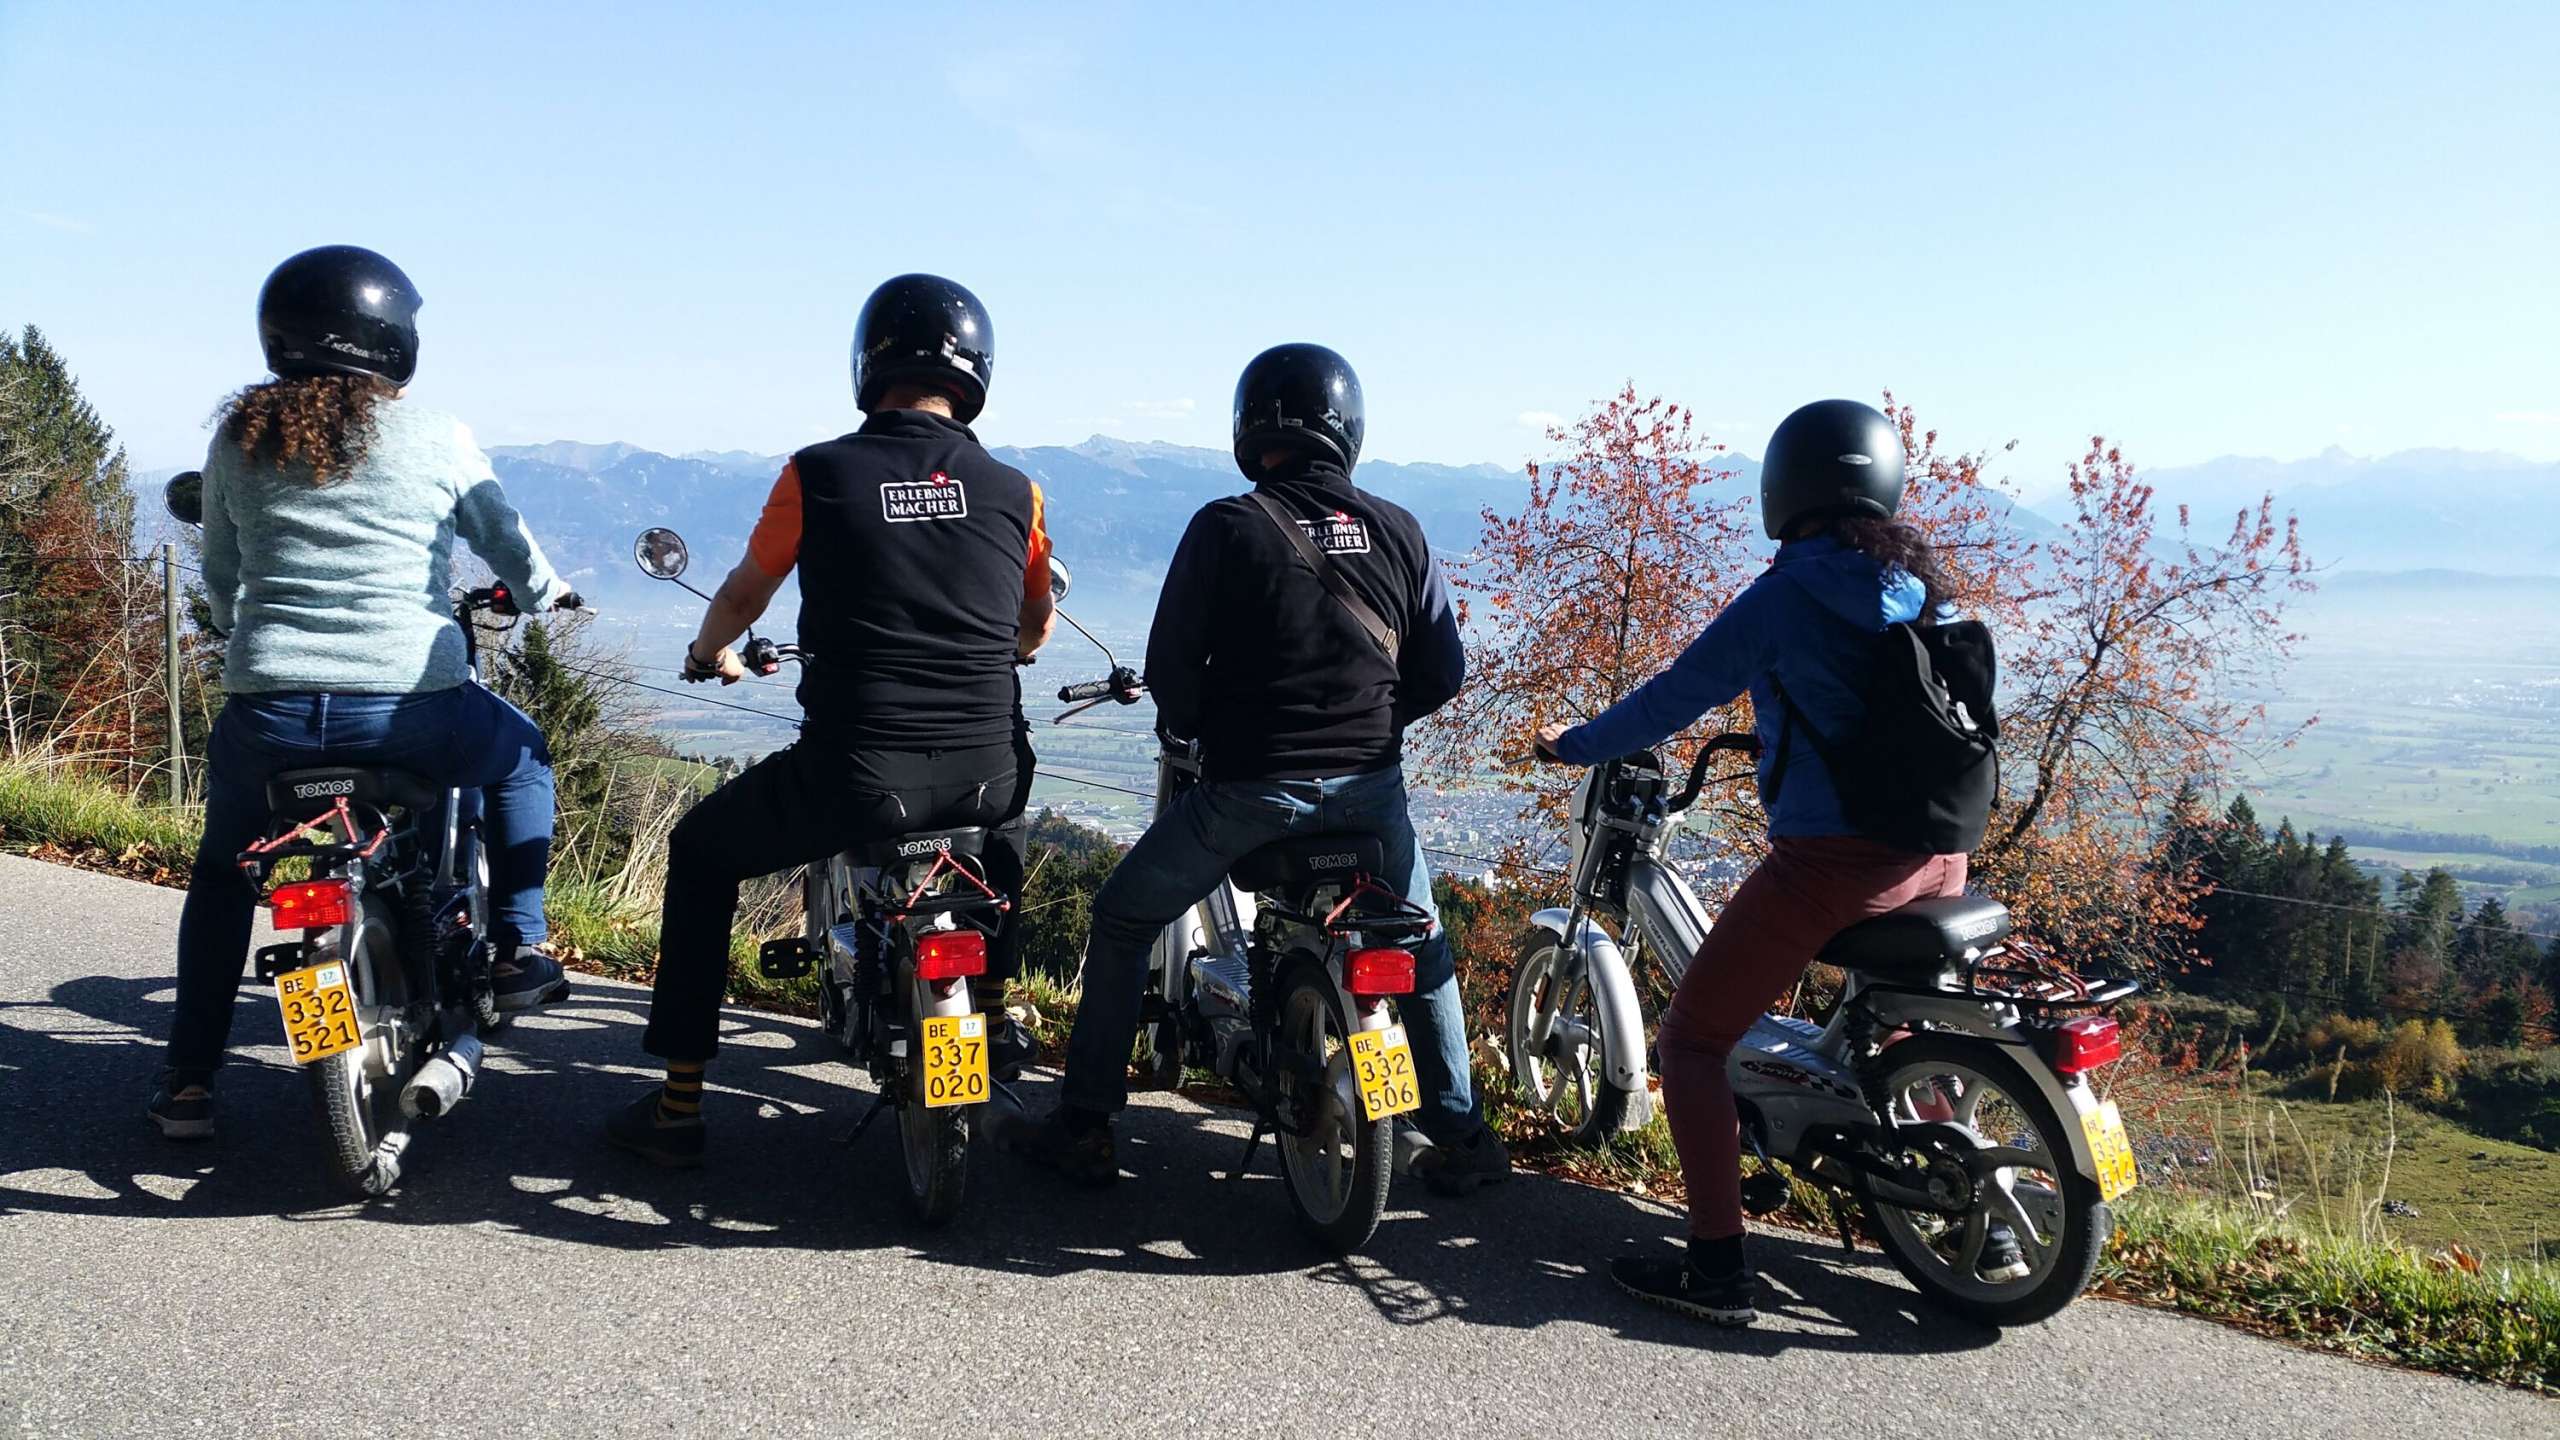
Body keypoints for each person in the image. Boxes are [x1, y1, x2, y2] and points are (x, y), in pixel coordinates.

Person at [1532, 397, 2010, 1327]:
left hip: (1834, 867)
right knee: (1898, 1029)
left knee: (1691, 1043)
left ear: (1784, 491)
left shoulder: (1787, 598)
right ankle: (1980, 1224)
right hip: (1942, 857)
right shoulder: (1922, 587)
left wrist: (1573, 744)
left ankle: (1716, 1267)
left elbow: (1673, 697)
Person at [1003, 343, 1508, 1194]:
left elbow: (1170, 669)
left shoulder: (1226, 525)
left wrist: (1205, 735)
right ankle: (1465, 1136)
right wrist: (1377, 727)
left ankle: (1085, 1124)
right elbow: (1443, 672)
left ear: (1251, 428)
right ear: (1348, 428)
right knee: (1420, 941)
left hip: (1252, 791)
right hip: (1371, 796)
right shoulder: (1401, 528)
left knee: (1124, 918)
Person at [603, 273, 1051, 1167]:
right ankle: (994, 1017)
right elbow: (1033, 624)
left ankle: (679, 1106)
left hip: (856, 779)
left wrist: (708, 653)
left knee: (700, 852)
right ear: (977, 373)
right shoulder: (1016, 490)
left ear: (867, 364)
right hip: (988, 771)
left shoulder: (817, 473)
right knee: (997, 837)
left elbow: (745, 594)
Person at [153, 244, 575, 1139]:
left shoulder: (239, 440)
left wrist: (240, 626)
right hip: (410, 712)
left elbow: (222, 576)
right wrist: (546, 594)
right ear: (394, 339)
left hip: (269, 716)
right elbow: (505, 540)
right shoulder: (437, 435)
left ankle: (188, 1081)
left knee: (223, 879)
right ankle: (517, 945)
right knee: (523, 757)